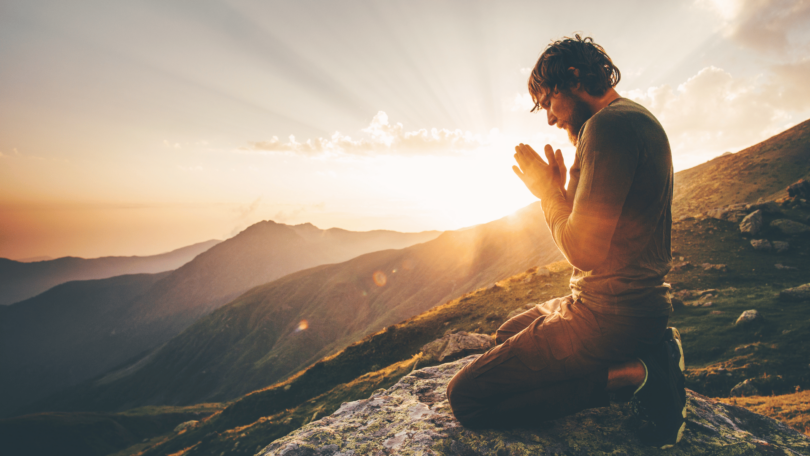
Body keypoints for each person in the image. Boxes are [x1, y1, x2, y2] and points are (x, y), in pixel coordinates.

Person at [446, 35, 686, 449]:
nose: (551, 120)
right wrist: (564, 190)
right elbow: (609, 225)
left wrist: (547, 195)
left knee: (466, 398)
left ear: (573, 78)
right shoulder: (632, 118)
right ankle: (646, 350)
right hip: (630, 306)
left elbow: (584, 251)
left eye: (547, 103)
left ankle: (642, 372)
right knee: (508, 335)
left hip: (609, 316)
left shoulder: (607, 126)